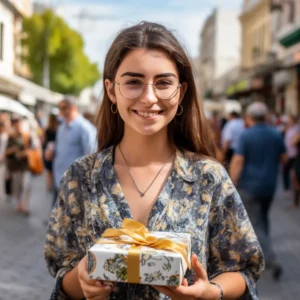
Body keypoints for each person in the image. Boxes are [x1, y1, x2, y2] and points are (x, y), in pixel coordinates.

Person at [45, 22, 264, 300]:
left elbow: (244, 267)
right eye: (134, 82)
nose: (149, 98)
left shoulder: (208, 177)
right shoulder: (80, 177)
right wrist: (82, 279)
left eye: (163, 83)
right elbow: (61, 273)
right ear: (111, 90)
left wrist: (211, 292)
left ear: (181, 91)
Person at [230, 102, 287, 281]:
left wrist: (231, 183)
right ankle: (263, 251)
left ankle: (271, 259)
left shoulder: (246, 135)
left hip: (250, 186)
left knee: (255, 223)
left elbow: (238, 161)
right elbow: (284, 158)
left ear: (249, 117)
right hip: (269, 186)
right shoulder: (275, 133)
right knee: (262, 218)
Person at [45, 98, 97, 206]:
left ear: (73, 107)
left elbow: (91, 156)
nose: (61, 111)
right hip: (58, 180)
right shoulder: (61, 127)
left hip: (75, 185)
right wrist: (51, 150)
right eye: (59, 108)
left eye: (63, 108)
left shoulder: (84, 128)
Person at [5, 117, 34, 215]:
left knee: (27, 185)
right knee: (16, 186)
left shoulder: (26, 136)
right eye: (16, 125)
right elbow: (6, 152)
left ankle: (26, 205)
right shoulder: (10, 137)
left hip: (25, 165)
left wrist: (25, 153)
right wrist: (13, 150)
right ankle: (19, 203)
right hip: (15, 166)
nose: (18, 127)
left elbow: (33, 149)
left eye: (19, 125)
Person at [282, 115, 300, 196]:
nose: (288, 121)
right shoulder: (287, 128)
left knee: (294, 174)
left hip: (294, 155)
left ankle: (295, 192)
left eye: (289, 120)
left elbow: (294, 142)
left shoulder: (297, 129)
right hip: (287, 154)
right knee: (285, 172)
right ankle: (287, 189)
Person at [42, 113, 59, 191]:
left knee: (49, 171)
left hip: (48, 151)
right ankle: (54, 184)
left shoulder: (47, 129)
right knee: (53, 169)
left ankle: (49, 185)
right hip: (55, 151)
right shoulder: (58, 129)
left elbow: (43, 141)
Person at [0, 121, 8, 201]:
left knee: (2, 179)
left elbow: (3, 151)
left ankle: (3, 195)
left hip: (2, 162)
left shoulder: (4, 137)